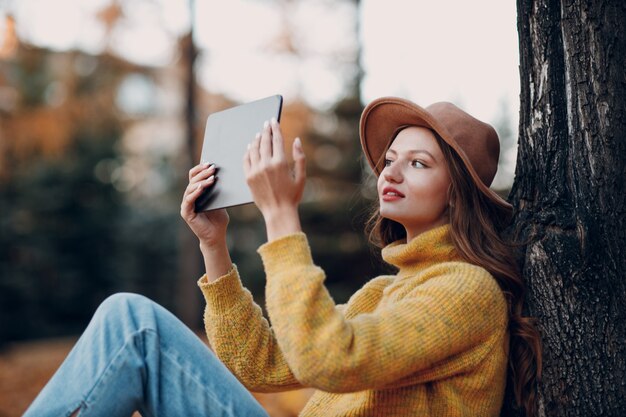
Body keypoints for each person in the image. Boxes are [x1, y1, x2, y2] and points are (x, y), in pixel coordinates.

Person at [24, 97, 542, 417]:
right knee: (130, 319)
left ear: (458, 193)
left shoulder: (467, 292)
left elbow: (328, 358)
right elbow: (260, 364)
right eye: (389, 161)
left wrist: (280, 217)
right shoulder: (386, 292)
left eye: (418, 163)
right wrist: (214, 245)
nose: (391, 173)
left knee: (133, 324)